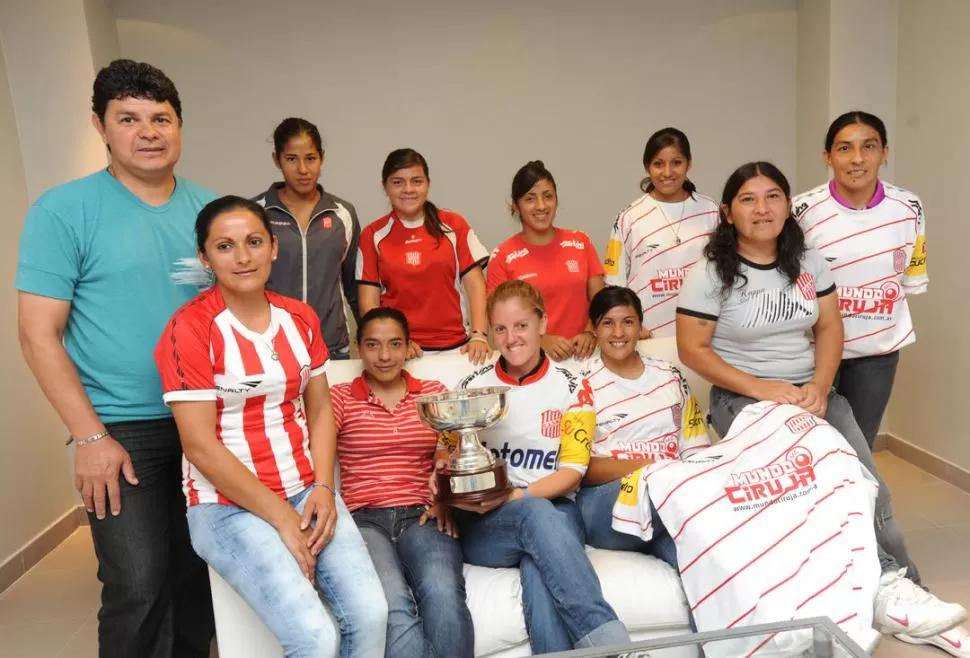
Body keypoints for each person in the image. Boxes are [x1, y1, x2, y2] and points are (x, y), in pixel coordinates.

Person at [675, 161, 967, 648]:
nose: (762, 208)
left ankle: (903, 590)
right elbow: (693, 350)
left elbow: (830, 327)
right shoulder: (710, 272)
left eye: (773, 196)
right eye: (748, 199)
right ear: (727, 212)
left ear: (788, 207)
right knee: (822, 482)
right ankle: (855, 593)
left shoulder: (807, 261)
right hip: (743, 400)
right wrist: (762, 388)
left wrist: (819, 384)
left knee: (868, 483)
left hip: (811, 393)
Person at [16, 59, 215, 658]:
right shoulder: (64, 210)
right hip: (120, 430)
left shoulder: (210, 213)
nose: (148, 131)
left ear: (180, 126)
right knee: (136, 585)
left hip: (206, 425)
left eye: (161, 118)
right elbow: (37, 335)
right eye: (129, 118)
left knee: (200, 578)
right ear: (100, 126)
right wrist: (89, 438)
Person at [153, 196, 387, 658]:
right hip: (226, 508)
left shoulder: (299, 318)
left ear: (273, 248)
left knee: (371, 615)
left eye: (254, 242)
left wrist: (322, 487)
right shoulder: (190, 328)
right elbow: (199, 446)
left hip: (306, 492)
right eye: (225, 246)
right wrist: (281, 518)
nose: (243, 257)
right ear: (205, 257)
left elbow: (320, 411)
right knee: (315, 638)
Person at [446, 279, 630, 654]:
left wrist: (516, 495)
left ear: (542, 324)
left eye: (521, 325)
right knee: (534, 515)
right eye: (500, 328)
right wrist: (455, 484)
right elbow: (445, 454)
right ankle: (610, 644)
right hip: (486, 524)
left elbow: (573, 472)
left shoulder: (573, 386)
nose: (511, 338)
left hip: (555, 512)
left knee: (539, 564)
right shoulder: (471, 386)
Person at [331, 307, 473, 658]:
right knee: (391, 604)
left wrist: (442, 488)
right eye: (373, 345)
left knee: (442, 591)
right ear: (358, 348)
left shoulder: (433, 393)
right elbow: (314, 455)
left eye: (395, 344)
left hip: (424, 514)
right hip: (364, 520)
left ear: (409, 347)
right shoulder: (339, 398)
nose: (384, 356)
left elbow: (452, 446)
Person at [792, 111, 925, 451]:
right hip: (812, 351)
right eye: (845, 148)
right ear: (828, 156)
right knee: (810, 447)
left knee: (858, 448)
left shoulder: (909, 206)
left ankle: (856, 506)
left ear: (885, 152)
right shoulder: (801, 210)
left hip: (876, 353)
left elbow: (910, 278)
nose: (858, 159)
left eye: (869, 146)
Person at [576, 286, 710, 571]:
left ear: (640, 326)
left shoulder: (669, 376)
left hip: (671, 496)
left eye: (627, 322)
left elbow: (697, 449)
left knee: (701, 566)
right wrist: (653, 467)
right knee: (672, 494)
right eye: (607, 323)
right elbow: (579, 470)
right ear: (593, 329)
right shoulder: (580, 385)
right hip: (605, 500)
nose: (618, 333)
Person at [357, 148, 491, 364]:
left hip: (458, 349)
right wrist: (396, 343)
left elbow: (476, 286)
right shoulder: (373, 234)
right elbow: (368, 302)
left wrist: (480, 335)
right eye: (398, 182)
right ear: (385, 187)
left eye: (416, 181)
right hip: (403, 354)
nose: (408, 189)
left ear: (427, 183)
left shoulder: (453, 225)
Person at [254, 117, 361, 360]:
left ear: (322, 157)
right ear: (276, 159)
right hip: (272, 347)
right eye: (292, 159)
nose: (303, 169)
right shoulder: (256, 213)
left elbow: (354, 284)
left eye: (310, 158)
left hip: (331, 347)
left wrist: (368, 333)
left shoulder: (342, 213)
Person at [604, 127, 719, 337]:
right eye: (658, 164)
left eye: (676, 162)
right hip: (649, 337)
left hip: (704, 337)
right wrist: (630, 327)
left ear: (689, 163)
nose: (667, 173)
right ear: (647, 167)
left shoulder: (710, 210)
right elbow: (613, 284)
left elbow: (727, 272)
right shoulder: (628, 217)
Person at [487, 160, 605, 362]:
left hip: (587, 358)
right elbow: (498, 322)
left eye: (548, 196)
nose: (541, 206)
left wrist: (590, 332)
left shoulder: (580, 242)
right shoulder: (502, 256)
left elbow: (601, 302)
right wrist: (541, 341)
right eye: (530, 199)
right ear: (516, 206)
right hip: (533, 362)